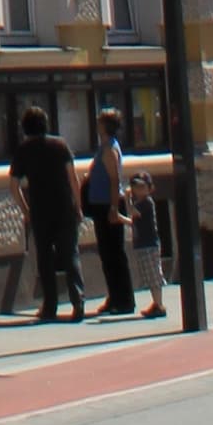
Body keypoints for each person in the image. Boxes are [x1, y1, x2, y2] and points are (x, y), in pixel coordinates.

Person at [12, 107, 89, 321]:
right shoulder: (60, 145)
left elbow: (13, 186)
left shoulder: (23, 150)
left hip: (40, 210)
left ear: (25, 127)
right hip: (64, 207)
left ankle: (50, 306)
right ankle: (78, 301)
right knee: (70, 254)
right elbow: (73, 178)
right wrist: (79, 206)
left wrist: (26, 211)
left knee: (45, 259)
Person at [81, 117, 137, 315]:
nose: (96, 125)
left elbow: (114, 180)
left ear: (106, 126)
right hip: (100, 205)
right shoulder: (104, 147)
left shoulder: (110, 149)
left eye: (100, 122)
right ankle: (114, 297)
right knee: (107, 255)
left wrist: (114, 208)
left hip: (108, 205)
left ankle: (124, 301)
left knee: (114, 254)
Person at [129, 168, 169, 318]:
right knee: (148, 275)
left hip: (149, 244)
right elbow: (132, 219)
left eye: (142, 186)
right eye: (135, 186)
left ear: (149, 188)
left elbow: (132, 212)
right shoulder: (139, 203)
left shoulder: (146, 203)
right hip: (142, 244)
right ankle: (156, 303)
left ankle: (159, 304)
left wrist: (126, 198)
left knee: (154, 276)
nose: (138, 190)